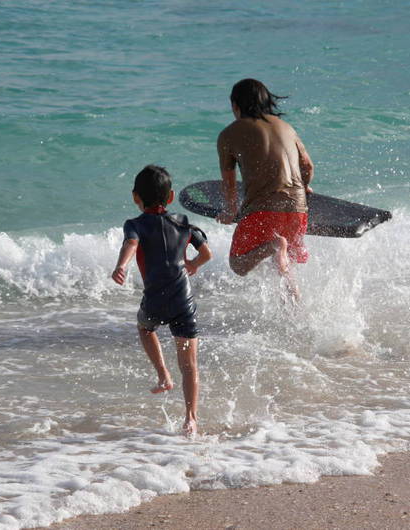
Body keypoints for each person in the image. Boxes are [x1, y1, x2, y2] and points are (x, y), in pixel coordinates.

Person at [111, 164, 212, 436]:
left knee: (145, 328)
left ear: (135, 197)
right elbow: (207, 254)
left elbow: (130, 244)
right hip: (183, 301)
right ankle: (191, 419)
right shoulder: (184, 223)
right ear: (171, 197)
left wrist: (121, 266)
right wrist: (192, 265)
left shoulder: (134, 225)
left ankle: (163, 375)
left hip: (155, 299)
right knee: (190, 366)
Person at [216, 78, 314, 294]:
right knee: (285, 267)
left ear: (235, 105)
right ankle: (296, 318)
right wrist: (305, 187)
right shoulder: (287, 127)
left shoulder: (228, 134)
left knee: (239, 264)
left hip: (262, 209)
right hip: (298, 209)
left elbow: (229, 184)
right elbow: (307, 166)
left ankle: (274, 246)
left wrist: (230, 211)